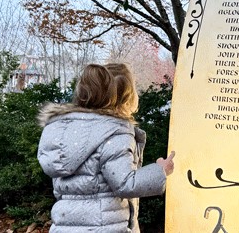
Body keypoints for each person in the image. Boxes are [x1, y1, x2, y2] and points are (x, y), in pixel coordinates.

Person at [38, 63, 175, 233]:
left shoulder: (64, 131)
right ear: (127, 98)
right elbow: (125, 184)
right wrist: (160, 171)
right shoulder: (114, 132)